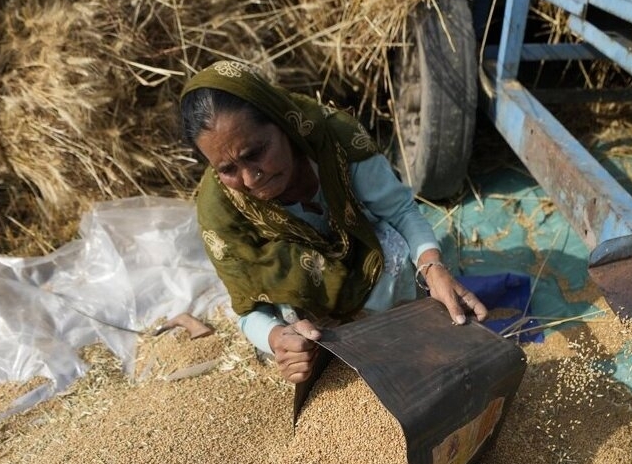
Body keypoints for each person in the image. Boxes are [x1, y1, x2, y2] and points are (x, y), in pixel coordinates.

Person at [180, 60, 486, 383]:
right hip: (306, 309)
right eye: (228, 169)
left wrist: (432, 266)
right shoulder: (219, 209)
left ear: (283, 122)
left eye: (256, 152)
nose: (251, 177)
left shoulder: (333, 138)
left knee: (396, 255)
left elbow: (401, 212)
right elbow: (247, 309)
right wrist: (277, 339)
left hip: (365, 261)